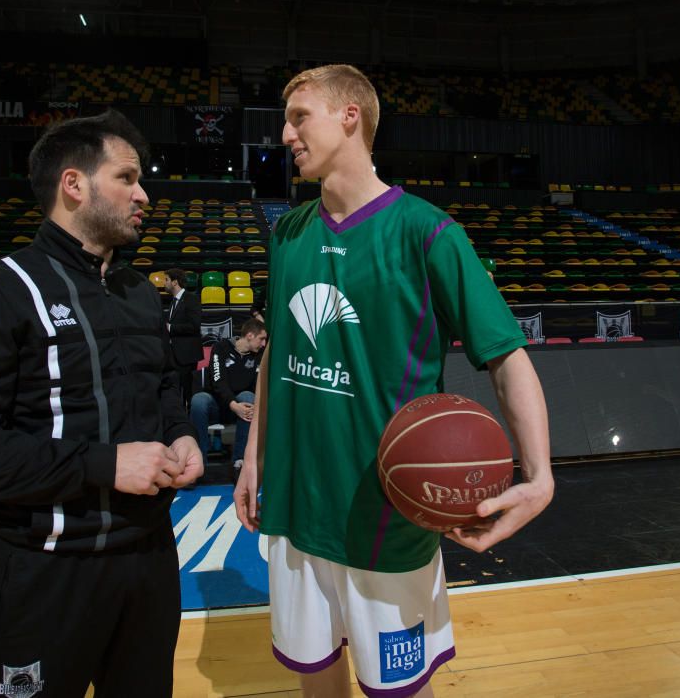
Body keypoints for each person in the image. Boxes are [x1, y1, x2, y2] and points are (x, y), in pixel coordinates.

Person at [233, 65, 553, 698]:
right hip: (296, 509)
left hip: (385, 516)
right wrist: (254, 455)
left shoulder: (428, 231)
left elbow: (507, 356)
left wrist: (539, 476)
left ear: (351, 116)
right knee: (314, 681)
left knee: (398, 692)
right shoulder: (289, 232)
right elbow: (278, 351)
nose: (286, 135)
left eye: (300, 118)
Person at [0, 109, 203, 698]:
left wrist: (180, 433)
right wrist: (104, 464)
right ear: (74, 184)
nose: (143, 194)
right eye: (127, 178)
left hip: (148, 564)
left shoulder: (137, 292)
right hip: (40, 572)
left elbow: (160, 390)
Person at [189, 317, 267, 478]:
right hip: (217, 404)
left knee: (248, 397)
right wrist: (233, 405)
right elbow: (218, 381)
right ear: (250, 335)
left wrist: (239, 406)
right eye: (262, 339)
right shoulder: (221, 347)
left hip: (240, 408)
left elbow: (257, 388)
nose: (264, 344)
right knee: (199, 400)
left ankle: (239, 462)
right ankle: (198, 463)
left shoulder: (259, 356)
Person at [164, 267, 204, 409]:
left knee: (188, 391)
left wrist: (170, 328)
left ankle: (192, 421)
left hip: (186, 355)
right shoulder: (173, 301)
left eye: (166, 279)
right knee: (175, 390)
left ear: (175, 282)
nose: (164, 283)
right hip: (174, 354)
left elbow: (194, 325)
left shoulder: (191, 299)